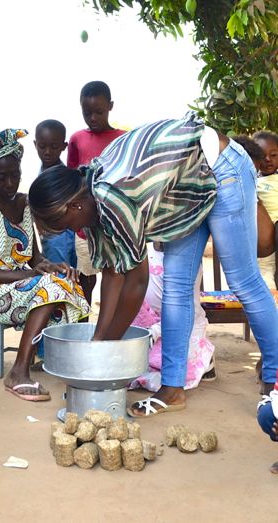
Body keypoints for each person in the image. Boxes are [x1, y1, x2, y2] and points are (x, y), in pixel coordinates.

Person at [29, 114, 278, 417]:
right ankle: (172, 390)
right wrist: (99, 337)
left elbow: (136, 282)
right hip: (185, 189)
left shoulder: (113, 196)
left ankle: (274, 378)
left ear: (75, 206)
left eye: (61, 223)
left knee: (242, 280)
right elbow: (112, 271)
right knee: (177, 287)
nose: (66, 230)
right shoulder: (89, 200)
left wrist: (105, 348)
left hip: (221, 167)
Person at [0, 128, 90, 402]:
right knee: (50, 289)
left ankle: (63, 361)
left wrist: (51, 267)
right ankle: (18, 371)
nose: (9, 183)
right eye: (1, 177)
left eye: (14, 174)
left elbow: (34, 256)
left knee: (66, 281)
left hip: (22, 284)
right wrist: (30, 274)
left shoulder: (26, 203)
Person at [67, 81, 126, 305]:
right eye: (87, 112)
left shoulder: (123, 138)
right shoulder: (77, 139)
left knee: (115, 275)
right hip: (85, 227)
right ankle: (83, 319)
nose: (92, 118)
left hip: (116, 225)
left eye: (98, 112)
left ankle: (111, 327)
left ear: (110, 106)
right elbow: (72, 178)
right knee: (86, 277)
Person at [131, 243, 215, 391]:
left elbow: (190, 309)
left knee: (175, 375)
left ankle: (206, 357)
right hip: (147, 323)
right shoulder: (143, 253)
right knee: (130, 367)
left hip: (183, 323)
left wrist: (156, 331)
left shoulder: (188, 261)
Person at [34, 120, 76, 268]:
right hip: (50, 236)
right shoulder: (41, 174)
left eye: (54, 147)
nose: (47, 152)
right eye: (42, 146)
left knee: (65, 273)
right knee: (57, 273)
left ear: (64, 147)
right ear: (35, 144)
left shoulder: (63, 175)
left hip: (64, 233)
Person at [254, 131, 278, 289]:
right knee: (265, 271)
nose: (268, 159)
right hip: (262, 236)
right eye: (262, 156)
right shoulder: (253, 180)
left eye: (274, 154)